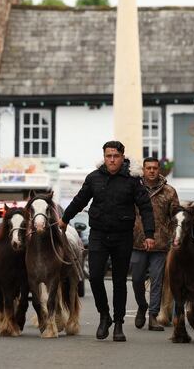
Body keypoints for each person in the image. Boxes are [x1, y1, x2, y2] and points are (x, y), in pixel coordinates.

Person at [60, 141, 155, 342]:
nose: (112, 159)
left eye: (116, 156)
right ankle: (104, 316)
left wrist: (149, 234)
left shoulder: (132, 180)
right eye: (108, 156)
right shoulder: (94, 178)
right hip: (99, 235)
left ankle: (118, 323)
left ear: (122, 157)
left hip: (123, 236)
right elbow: (80, 200)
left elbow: (145, 208)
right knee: (94, 277)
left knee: (120, 281)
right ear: (104, 157)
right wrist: (65, 218)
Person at [131, 157, 179, 332]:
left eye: (155, 168)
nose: (151, 171)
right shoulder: (134, 188)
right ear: (143, 169)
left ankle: (152, 316)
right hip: (137, 242)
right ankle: (142, 306)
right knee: (136, 280)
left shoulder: (169, 192)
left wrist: (174, 237)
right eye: (148, 168)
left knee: (157, 281)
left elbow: (175, 218)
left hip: (160, 244)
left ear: (159, 170)